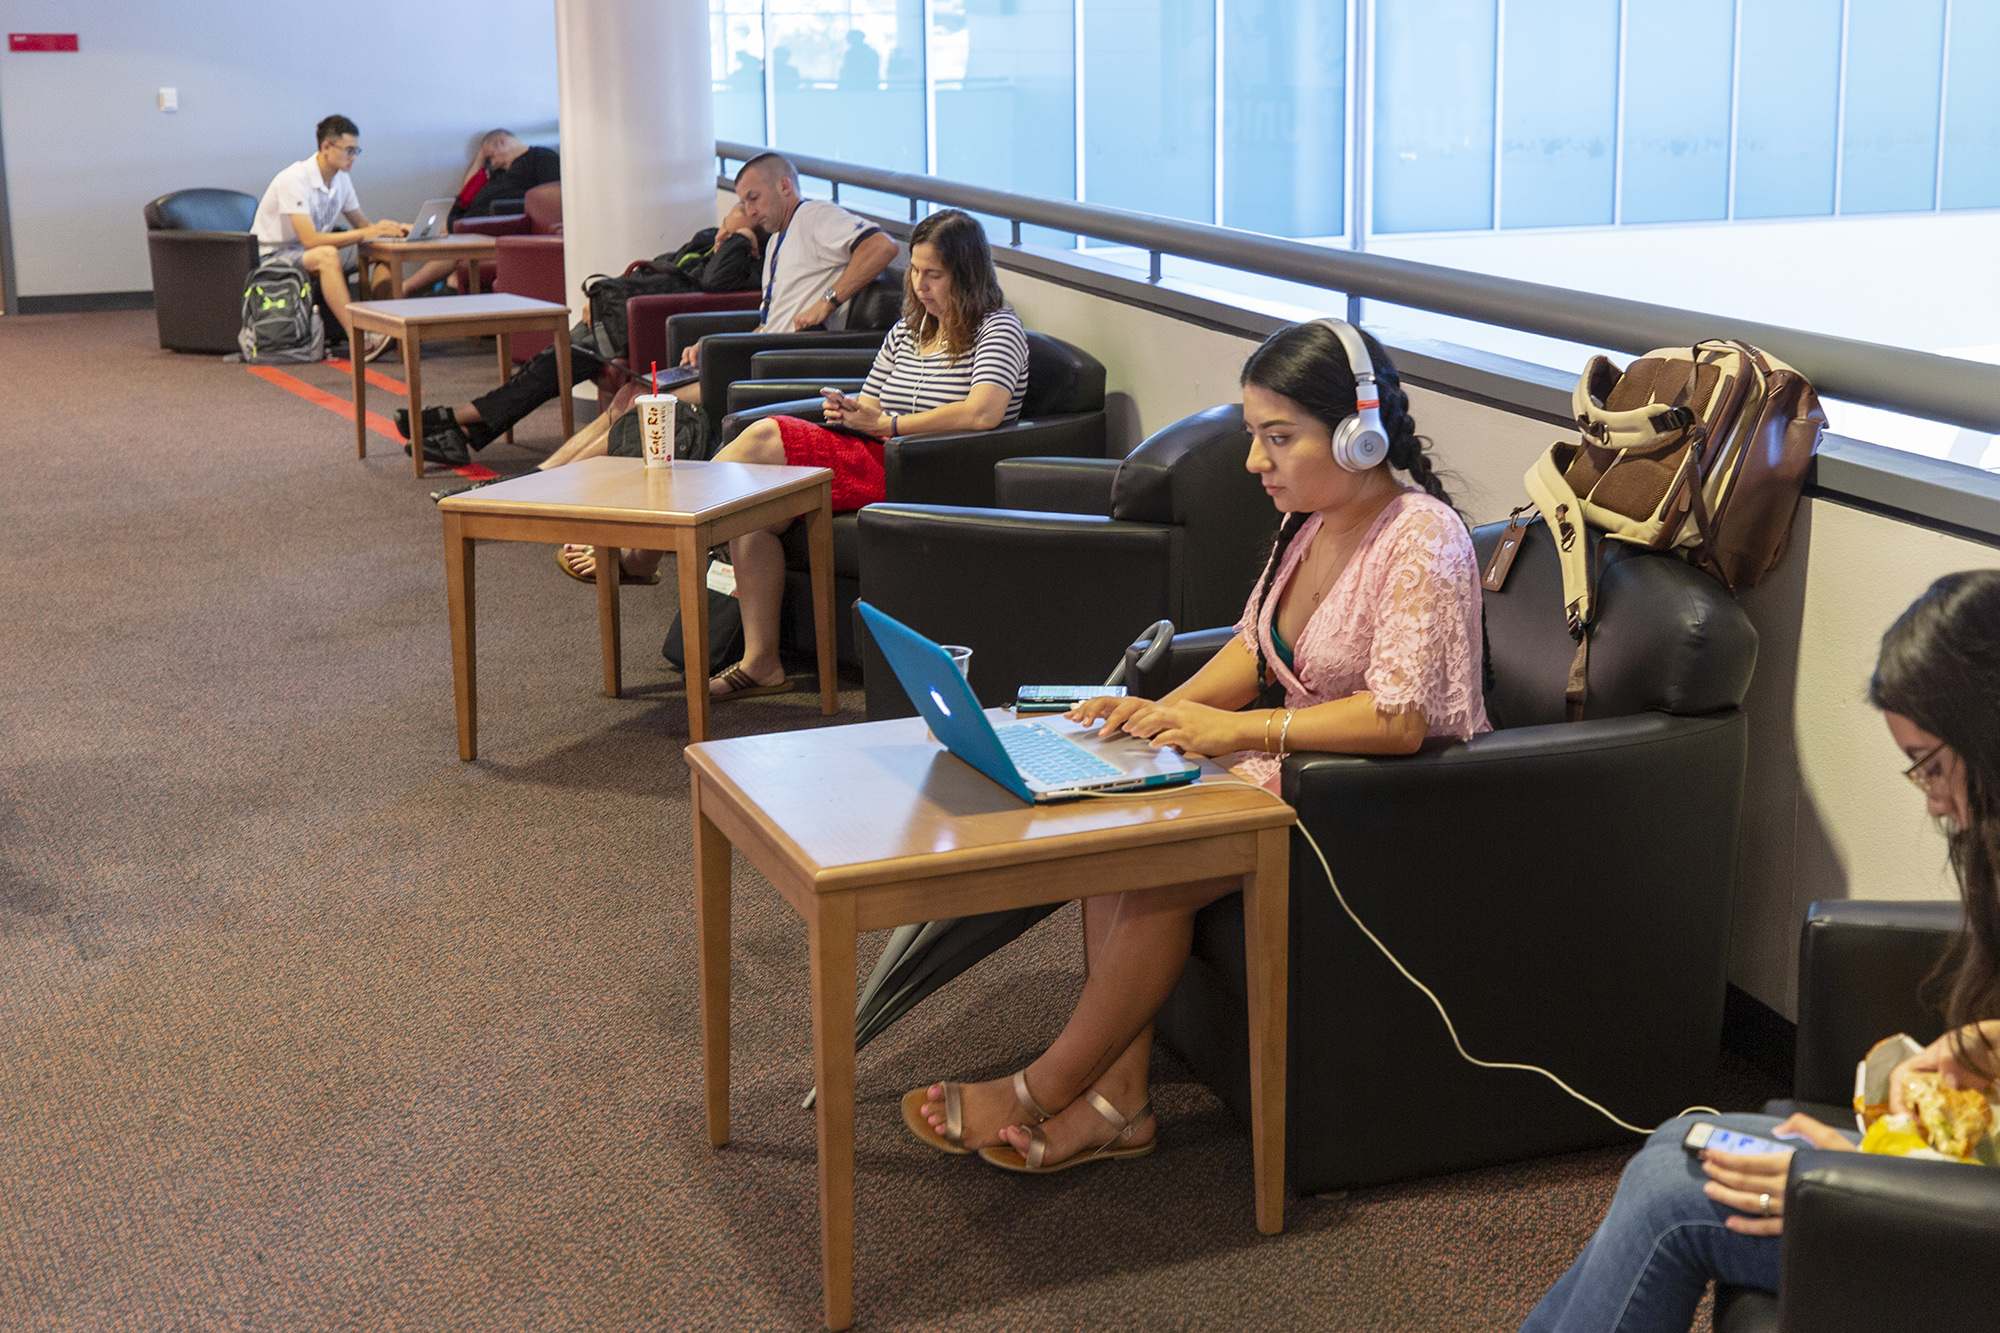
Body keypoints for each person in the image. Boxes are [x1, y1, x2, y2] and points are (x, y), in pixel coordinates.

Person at [906, 318, 1490, 1170]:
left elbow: (1398, 719)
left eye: (1277, 438)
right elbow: (1254, 648)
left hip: (1375, 804)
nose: (1256, 462)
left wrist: (1236, 729)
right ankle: (1119, 1102)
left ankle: (1042, 1088)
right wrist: (1153, 713)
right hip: (1295, 773)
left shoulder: (1420, 535)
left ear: (1360, 433)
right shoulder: (1311, 520)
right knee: (1117, 821)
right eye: (1256, 436)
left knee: (1158, 862)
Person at [1519, 569, 2000, 1333]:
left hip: (1970, 1228)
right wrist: (1952, 1062)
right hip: (1957, 1183)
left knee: (1674, 1200)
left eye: (1934, 766)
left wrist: (1846, 1179)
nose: (1933, 799)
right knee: (1680, 1144)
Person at [560, 209, 1032, 701]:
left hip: (926, 469)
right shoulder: (911, 330)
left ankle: (643, 549)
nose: (920, 284)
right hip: (876, 449)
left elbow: (983, 413)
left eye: (933, 275)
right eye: (915, 271)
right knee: (751, 510)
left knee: (764, 436)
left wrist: (888, 425)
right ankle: (762, 662)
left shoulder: (995, 328)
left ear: (969, 274)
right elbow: (873, 399)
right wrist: (853, 411)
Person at [408, 150, 897, 470]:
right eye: (742, 202)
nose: (748, 210)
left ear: (786, 188)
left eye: (754, 199)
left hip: (774, 362)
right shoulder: (775, 243)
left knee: (638, 403)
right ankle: (544, 476)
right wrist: (711, 341)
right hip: (753, 347)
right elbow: (770, 316)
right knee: (631, 394)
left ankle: (542, 477)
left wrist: (829, 300)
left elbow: (881, 247)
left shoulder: (815, 216)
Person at [251, 114, 409, 361]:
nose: (353, 157)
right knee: (326, 255)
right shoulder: (294, 179)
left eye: (357, 151)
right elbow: (310, 240)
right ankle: (357, 337)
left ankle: (382, 328)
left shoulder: (341, 179)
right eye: (349, 150)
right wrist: (364, 233)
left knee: (380, 249)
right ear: (326, 147)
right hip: (275, 254)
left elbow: (363, 226)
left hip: (306, 251)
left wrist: (393, 229)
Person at [396, 130, 560, 298]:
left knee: (454, 234)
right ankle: (426, 277)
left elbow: (549, 200)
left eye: (492, 156)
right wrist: (482, 156)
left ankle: (407, 286)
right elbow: (467, 191)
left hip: (502, 220)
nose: (493, 163)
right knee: (449, 226)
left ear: (503, 142)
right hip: (473, 220)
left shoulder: (540, 156)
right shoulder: (500, 172)